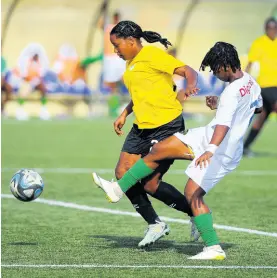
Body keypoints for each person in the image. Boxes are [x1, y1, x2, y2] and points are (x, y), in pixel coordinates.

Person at [92, 42, 263, 260]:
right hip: (207, 135)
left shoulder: (231, 92)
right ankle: (117, 189)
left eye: (214, 68)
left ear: (224, 65)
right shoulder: (249, 81)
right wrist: (221, 104)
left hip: (221, 149)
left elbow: (224, 126)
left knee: (193, 193)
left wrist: (211, 150)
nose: (214, 73)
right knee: (160, 149)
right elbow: (255, 107)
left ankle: (213, 248)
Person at [92, 20, 200, 247]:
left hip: (166, 126)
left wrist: (190, 85)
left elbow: (187, 70)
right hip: (141, 126)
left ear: (131, 41)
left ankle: (196, 213)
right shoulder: (130, 64)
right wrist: (124, 113)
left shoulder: (152, 55)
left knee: (151, 184)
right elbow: (142, 92)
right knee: (122, 172)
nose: (115, 50)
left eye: (117, 45)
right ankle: (155, 224)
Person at [243, 17, 277, 156]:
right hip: (265, 85)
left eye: (274, 28)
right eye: (269, 28)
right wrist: (244, 80)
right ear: (265, 29)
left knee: (262, 116)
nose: (272, 31)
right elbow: (251, 63)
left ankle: (245, 147)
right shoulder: (259, 43)